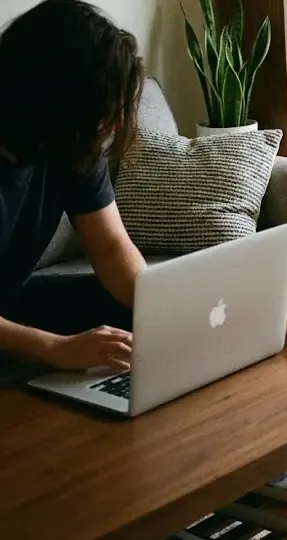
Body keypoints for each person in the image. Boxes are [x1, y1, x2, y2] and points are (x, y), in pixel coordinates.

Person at [0, 0, 146, 377]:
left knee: (135, 315)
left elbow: (110, 246)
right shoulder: (69, 134)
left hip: (11, 305)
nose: (114, 125)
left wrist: (166, 309)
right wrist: (53, 348)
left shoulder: (69, 146)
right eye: (105, 110)